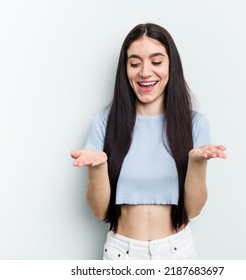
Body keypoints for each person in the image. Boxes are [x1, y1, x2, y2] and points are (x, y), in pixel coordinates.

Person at [70, 23, 227, 260]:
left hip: (178, 252)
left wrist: (196, 163)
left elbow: (193, 210)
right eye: (135, 63)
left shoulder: (195, 124)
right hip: (121, 253)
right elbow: (100, 211)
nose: (145, 72)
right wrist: (99, 167)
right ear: (125, 70)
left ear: (171, 65)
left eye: (156, 62)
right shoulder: (104, 123)